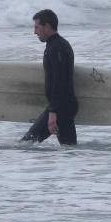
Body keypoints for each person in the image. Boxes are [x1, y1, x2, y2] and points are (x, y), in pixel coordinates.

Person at [22, 9, 78, 145]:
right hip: (63, 106)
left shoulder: (57, 47)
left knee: (26, 144)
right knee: (69, 148)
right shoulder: (55, 45)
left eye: (37, 27)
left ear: (47, 26)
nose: (35, 32)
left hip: (61, 107)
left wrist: (53, 112)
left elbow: (60, 81)